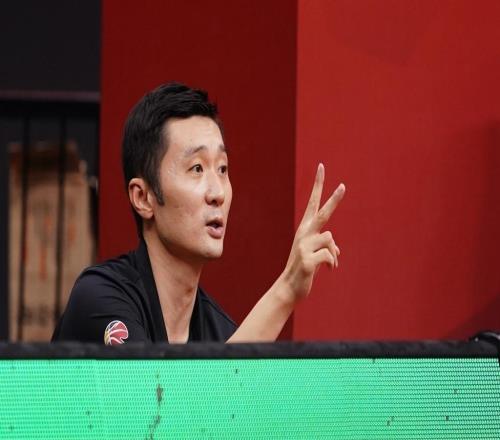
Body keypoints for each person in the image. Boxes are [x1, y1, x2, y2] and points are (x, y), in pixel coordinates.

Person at [52, 82, 345, 344]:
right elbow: (158, 390)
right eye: (196, 168)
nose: (218, 193)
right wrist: (286, 291)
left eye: (223, 168)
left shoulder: (221, 333)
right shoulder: (99, 299)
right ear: (143, 198)